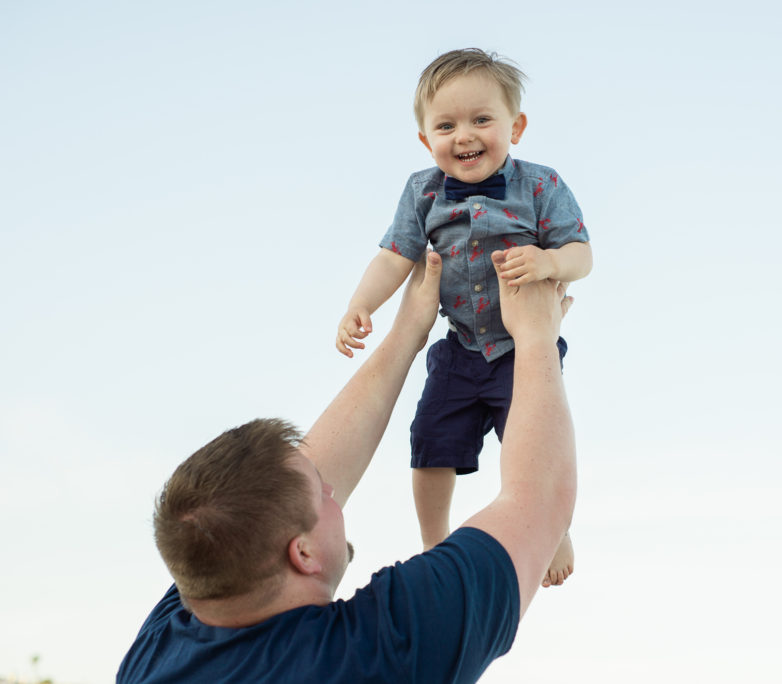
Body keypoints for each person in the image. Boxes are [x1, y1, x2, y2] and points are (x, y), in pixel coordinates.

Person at [117, 252, 577, 683]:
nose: (333, 491)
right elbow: (539, 501)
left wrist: (406, 333)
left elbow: (287, 487)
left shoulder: (164, 646)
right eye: (323, 493)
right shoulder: (379, 652)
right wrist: (537, 337)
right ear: (303, 554)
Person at [336, 48, 591, 587]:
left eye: (482, 120)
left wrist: (548, 260)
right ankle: (435, 540)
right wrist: (361, 304)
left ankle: (553, 527)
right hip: (458, 346)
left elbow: (581, 254)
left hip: (522, 348)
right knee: (429, 440)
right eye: (446, 125)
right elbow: (394, 256)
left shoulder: (540, 186)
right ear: (427, 140)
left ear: (515, 127)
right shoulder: (421, 191)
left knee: (534, 442)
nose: (464, 135)